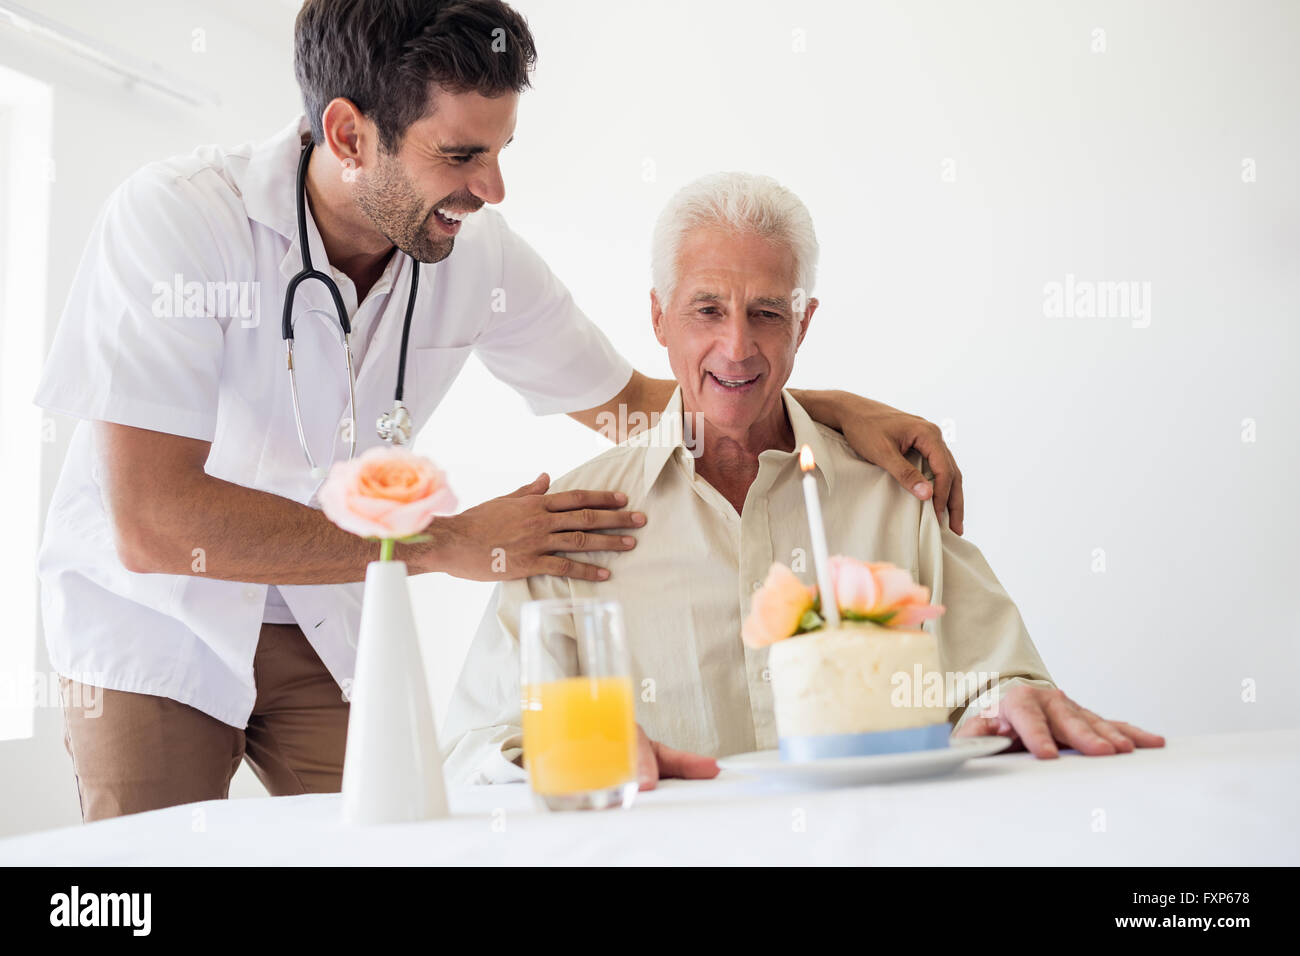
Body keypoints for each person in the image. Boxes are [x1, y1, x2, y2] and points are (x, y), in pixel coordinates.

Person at [34, 0, 964, 821]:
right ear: (349, 133)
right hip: (156, 620)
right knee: (150, 878)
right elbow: (155, 523)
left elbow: (637, 408)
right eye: (461, 155)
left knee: (394, 846)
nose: (492, 189)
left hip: (326, 621)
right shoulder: (178, 221)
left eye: (501, 151)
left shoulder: (474, 253)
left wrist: (828, 412)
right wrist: (444, 543)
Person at [442, 171, 1165, 789]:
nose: (737, 345)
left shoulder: (893, 493)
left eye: (766, 313)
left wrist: (1017, 699)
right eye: (707, 310)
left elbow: (997, 677)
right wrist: (562, 750)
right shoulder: (573, 525)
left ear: (803, 324)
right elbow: (474, 748)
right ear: (659, 318)